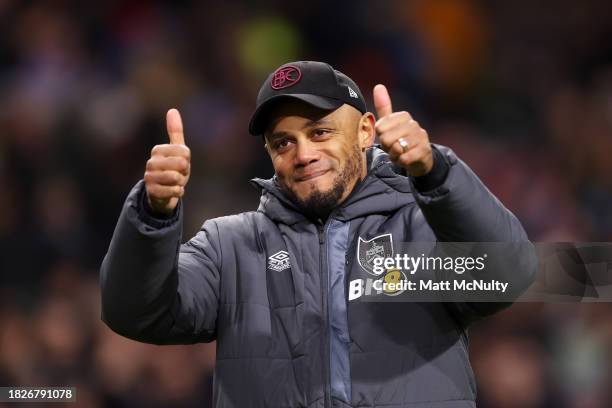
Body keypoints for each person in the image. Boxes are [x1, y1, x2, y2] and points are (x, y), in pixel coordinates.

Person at [100, 61, 536, 408]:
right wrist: (153, 215)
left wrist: (437, 173)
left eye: (320, 132)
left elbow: (509, 275)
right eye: (283, 142)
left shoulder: (421, 227)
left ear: (366, 130)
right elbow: (134, 312)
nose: (303, 154)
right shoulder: (229, 246)